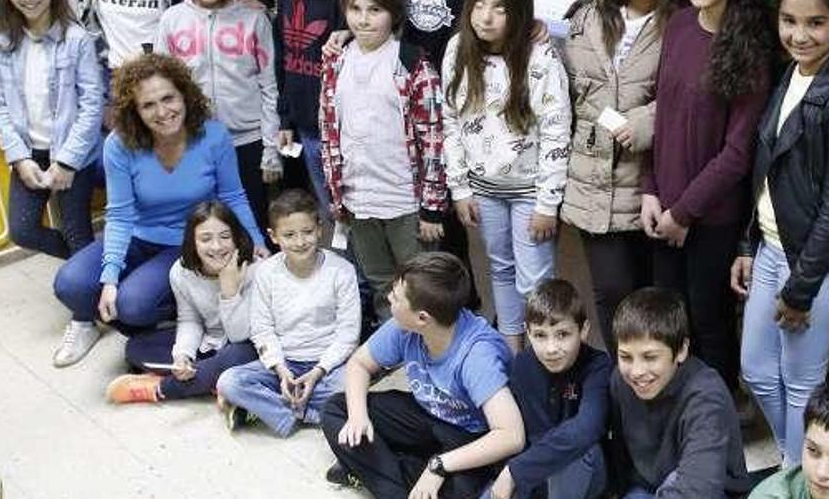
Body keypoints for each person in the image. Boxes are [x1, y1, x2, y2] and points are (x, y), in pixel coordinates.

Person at [730, 0, 829, 466]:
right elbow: (766, 168)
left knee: (800, 383)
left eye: (815, 22)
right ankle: (801, 468)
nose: (799, 34)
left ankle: (797, 476)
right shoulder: (791, 73)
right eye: (789, 21)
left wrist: (800, 289)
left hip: (816, 265)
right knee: (754, 369)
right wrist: (750, 244)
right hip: (774, 247)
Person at [52, 53, 266, 368]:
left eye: (168, 98)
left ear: (185, 95)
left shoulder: (214, 136)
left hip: (184, 243)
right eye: (148, 105)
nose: (162, 112)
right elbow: (120, 215)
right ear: (135, 111)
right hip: (137, 235)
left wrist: (257, 241)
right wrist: (109, 277)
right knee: (70, 283)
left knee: (133, 304)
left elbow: (233, 195)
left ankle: (178, 315)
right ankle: (87, 321)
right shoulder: (119, 144)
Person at [640, 0, 777, 389]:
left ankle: (718, 417)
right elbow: (661, 116)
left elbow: (737, 153)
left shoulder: (752, 45)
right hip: (663, 209)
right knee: (668, 319)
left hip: (711, 218)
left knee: (708, 322)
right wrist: (650, 189)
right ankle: (676, 412)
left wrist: (684, 213)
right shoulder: (679, 23)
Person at [442, 0, 571, 353]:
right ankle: (512, 352)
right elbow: (450, 122)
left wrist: (548, 202)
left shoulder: (540, 58)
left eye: (500, 6)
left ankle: (541, 358)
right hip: (484, 188)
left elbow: (556, 131)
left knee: (535, 281)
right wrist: (459, 187)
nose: (486, 16)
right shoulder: (457, 50)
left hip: (531, 191)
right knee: (499, 268)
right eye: (479, 3)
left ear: (519, 9)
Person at [321, 252, 523, 498]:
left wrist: (438, 466)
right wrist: (357, 417)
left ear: (422, 318)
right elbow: (359, 364)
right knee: (336, 409)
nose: (388, 299)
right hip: (425, 416)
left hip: (468, 436)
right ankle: (398, 478)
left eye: (396, 298)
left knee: (459, 491)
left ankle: (379, 470)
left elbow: (511, 436)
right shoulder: (405, 326)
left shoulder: (478, 356)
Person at [559, 0, 682, 354]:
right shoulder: (586, 15)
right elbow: (566, 85)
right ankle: (622, 384)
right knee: (611, 293)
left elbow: (694, 96)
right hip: (592, 177)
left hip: (652, 178)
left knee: (655, 297)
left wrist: (647, 121)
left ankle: (660, 388)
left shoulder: (681, 17)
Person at [318, 0, 446, 321]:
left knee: (420, 287)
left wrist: (432, 206)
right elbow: (329, 131)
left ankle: (427, 362)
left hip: (404, 202)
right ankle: (394, 361)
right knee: (380, 286)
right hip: (359, 200)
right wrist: (337, 194)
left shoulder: (411, 64)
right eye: (355, 9)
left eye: (374, 9)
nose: (362, 19)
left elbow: (433, 138)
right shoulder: (337, 61)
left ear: (393, 12)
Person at [216, 189, 360, 437]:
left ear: (319, 228)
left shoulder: (342, 271)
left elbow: (348, 335)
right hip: (284, 364)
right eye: (289, 235)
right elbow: (262, 328)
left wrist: (318, 372)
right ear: (273, 236)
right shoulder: (266, 272)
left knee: (353, 390)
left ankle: (273, 409)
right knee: (229, 381)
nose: (300, 242)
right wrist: (280, 370)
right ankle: (305, 414)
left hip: (327, 367)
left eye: (307, 232)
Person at [156, 0, 281, 232]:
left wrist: (271, 148)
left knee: (252, 227)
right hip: (194, 143)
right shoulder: (172, 20)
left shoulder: (253, 18)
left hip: (248, 144)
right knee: (204, 229)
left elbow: (270, 87)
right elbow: (162, 89)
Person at [0, 0, 104, 260]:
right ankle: (87, 266)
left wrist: (68, 162)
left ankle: (90, 301)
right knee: (23, 230)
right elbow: (0, 106)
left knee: (76, 231)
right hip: (29, 154)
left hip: (74, 155)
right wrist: (18, 158)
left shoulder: (77, 39)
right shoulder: (2, 42)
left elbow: (91, 106)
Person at [105, 201, 259, 403]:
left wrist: (229, 291)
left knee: (241, 355)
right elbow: (189, 319)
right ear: (192, 242)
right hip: (209, 342)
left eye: (225, 237)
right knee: (136, 348)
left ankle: (160, 388)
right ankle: (213, 381)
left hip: (244, 343)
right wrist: (183, 355)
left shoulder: (255, 270)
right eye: (205, 239)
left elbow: (240, 335)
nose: (217, 246)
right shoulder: (181, 271)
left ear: (236, 238)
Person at [610, 287, 750, 498]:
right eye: (626, 357)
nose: (636, 372)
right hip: (645, 486)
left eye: (650, 357)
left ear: (682, 350)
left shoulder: (706, 394)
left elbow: (700, 488)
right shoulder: (620, 380)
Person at [488, 279, 611, 499]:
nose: (551, 348)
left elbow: (587, 429)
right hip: (534, 472)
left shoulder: (599, 367)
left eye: (562, 334)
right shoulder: (522, 365)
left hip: (583, 472)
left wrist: (514, 472)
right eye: (540, 335)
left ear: (583, 330)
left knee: (577, 452)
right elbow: (519, 435)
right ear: (527, 332)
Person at [274, 0, 344, 222]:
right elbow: (284, 62)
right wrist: (285, 119)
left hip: (339, 129)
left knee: (352, 217)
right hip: (304, 126)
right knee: (331, 216)